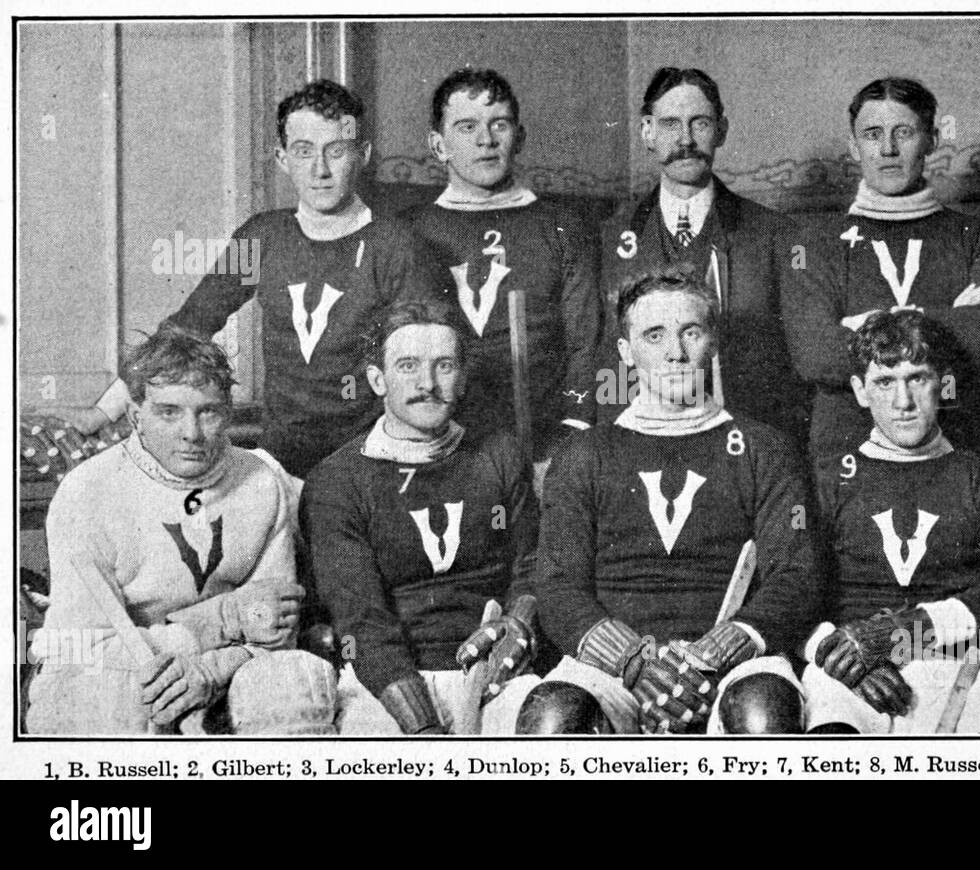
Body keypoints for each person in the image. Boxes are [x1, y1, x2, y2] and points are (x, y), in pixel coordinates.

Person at [41, 79, 441, 508]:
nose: (320, 169)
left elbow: (425, 361)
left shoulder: (396, 243)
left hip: (372, 463)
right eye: (304, 151)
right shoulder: (262, 237)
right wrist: (103, 413)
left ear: (361, 155)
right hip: (280, 464)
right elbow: (188, 326)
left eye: (336, 151)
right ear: (282, 158)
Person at [520, 266, 819, 734]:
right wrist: (634, 663)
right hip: (613, 669)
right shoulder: (583, 454)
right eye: (655, 335)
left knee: (762, 709)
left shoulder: (765, 448)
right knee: (553, 714)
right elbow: (558, 586)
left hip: (732, 663)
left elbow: (797, 576)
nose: (676, 353)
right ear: (626, 351)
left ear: (713, 342)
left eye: (691, 332)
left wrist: (715, 654)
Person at [25, 325, 331, 736]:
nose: (192, 432)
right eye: (169, 412)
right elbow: (87, 647)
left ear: (227, 413)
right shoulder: (87, 491)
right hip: (110, 669)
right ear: (136, 417)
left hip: (225, 667)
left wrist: (213, 667)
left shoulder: (260, 479)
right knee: (120, 697)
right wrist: (218, 620)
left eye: (208, 411)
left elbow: (275, 626)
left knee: (293, 681)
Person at [804, 309, 980, 734]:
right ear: (860, 391)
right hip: (853, 675)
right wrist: (840, 660)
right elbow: (792, 590)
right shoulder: (828, 478)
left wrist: (904, 632)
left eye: (917, 378)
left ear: (943, 384)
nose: (903, 402)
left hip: (965, 662)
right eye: (884, 382)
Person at [300, 299, 541, 735]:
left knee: (553, 720)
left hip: (494, 675)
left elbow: (530, 563)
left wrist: (518, 620)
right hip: (386, 679)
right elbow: (360, 622)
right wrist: (425, 730)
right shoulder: (338, 481)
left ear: (463, 377)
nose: (427, 383)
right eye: (408, 366)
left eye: (444, 366)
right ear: (378, 379)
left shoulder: (499, 454)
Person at [783, 77, 980, 478]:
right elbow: (815, 355)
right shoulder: (817, 245)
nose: (888, 149)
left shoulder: (974, 236)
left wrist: (865, 323)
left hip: (960, 445)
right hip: (847, 456)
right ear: (853, 145)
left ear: (931, 138)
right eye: (873, 134)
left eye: (904, 132)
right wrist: (948, 315)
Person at [405, 68, 601, 476]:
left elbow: (587, 341)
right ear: (438, 145)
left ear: (520, 137)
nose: (486, 140)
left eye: (500, 125)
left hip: (546, 450)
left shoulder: (563, 225)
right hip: (440, 449)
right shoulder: (408, 230)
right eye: (466, 126)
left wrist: (572, 433)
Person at [598, 67, 807, 443]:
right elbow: (606, 357)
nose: (685, 140)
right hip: (644, 438)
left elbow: (793, 363)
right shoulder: (612, 237)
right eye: (670, 124)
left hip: (743, 436)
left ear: (721, 131)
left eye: (700, 124)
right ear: (647, 132)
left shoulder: (775, 233)